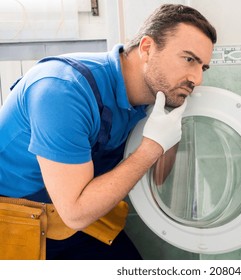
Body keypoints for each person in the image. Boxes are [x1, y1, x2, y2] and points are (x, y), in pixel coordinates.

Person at [0, 4, 217, 260]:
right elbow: (75, 213)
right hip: (21, 221)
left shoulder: (150, 93)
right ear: (147, 48)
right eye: (189, 59)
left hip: (78, 213)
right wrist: (152, 147)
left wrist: (170, 124)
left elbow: (159, 179)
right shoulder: (63, 91)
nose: (197, 78)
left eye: (202, 67)